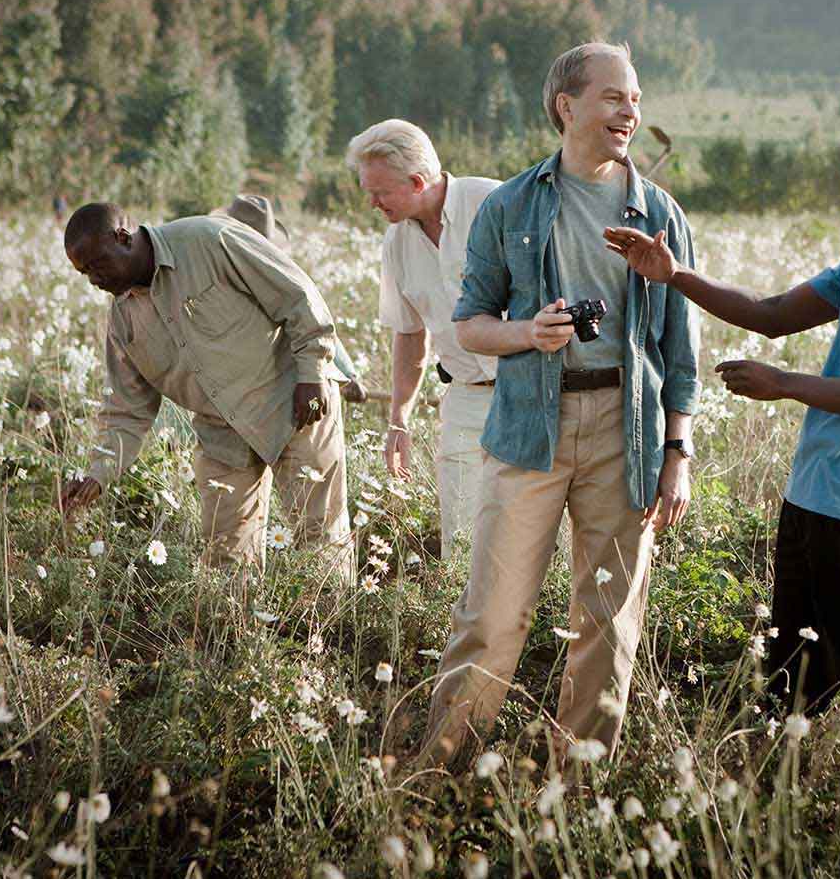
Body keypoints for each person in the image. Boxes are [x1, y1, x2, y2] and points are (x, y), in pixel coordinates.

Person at [608, 81, 840, 716]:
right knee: (793, 685)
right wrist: (675, 276)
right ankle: (787, 797)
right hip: (817, 494)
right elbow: (772, 314)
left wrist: (783, 385)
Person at [420, 42, 700, 765]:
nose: (630, 111)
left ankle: (579, 789)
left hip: (627, 431)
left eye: (635, 98)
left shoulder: (661, 213)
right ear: (566, 106)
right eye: (614, 97)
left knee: (610, 623)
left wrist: (679, 454)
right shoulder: (511, 204)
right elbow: (470, 322)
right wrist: (528, 333)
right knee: (493, 614)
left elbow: (680, 354)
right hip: (527, 426)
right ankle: (439, 771)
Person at [57, 202, 352, 575]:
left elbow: (297, 295)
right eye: (84, 274)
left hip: (295, 401)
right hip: (221, 433)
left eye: (97, 265)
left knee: (320, 538)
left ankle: (333, 630)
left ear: (123, 236)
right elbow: (126, 411)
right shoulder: (123, 323)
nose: (94, 281)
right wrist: (98, 474)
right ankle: (239, 631)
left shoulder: (210, 240)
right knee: (224, 557)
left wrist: (312, 373)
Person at [344, 120, 501, 555]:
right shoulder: (396, 243)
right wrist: (399, 418)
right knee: (462, 536)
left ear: (416, 182)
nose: (371, 203)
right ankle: (471, 621)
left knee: (536, 533)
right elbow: (410, 337)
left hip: (531, 385)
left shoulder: (494, 202)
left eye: (380, 192)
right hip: (466, 394)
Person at [214, 193, 368, 404]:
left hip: (269, 390)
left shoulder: (277, 275)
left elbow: (313, 319)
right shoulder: (212, 272)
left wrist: (348, 375)